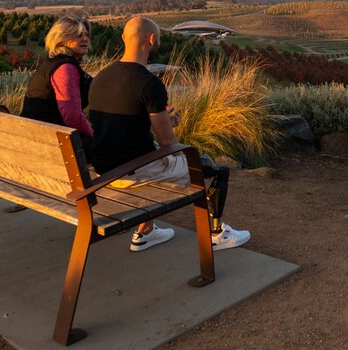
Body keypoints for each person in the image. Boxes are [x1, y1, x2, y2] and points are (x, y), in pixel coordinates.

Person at [88, 15, 250, 252]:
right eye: (159, 39)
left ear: (124, 38)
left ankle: (146, 232)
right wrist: (177, 141)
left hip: (104, 170)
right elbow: (168, 144)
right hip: (133, 175)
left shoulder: (100, 77)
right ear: (152, 39)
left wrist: (165, 121)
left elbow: (123, 125)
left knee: (150, 149)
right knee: (210, 167)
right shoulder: (149, 83)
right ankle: (216, 233)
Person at [21, 15, 94, 154]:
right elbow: (72, 118)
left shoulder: (51, 62)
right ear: (61, 39)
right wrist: (93, 135)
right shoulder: (65, 68)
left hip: (37, 138)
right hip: (53, 145)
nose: (85, 39)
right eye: (78, 35)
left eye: (86, 34)